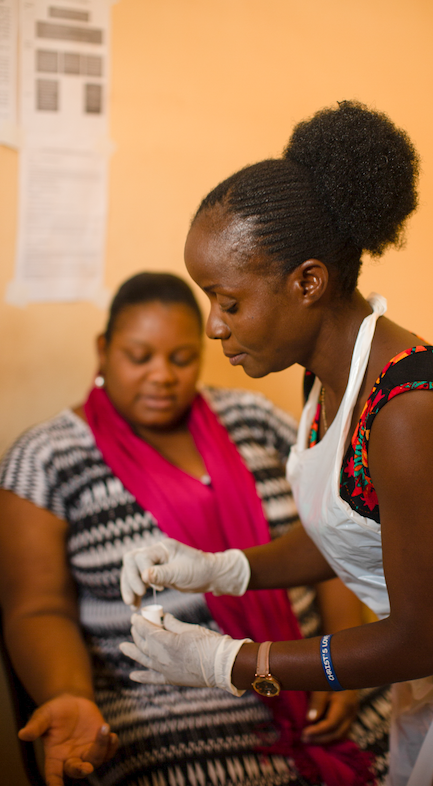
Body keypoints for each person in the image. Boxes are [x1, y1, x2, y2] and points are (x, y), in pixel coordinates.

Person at [119, 102, 433, 786]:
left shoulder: (410, 414)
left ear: (306, 283)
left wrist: (236, 664)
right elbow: (359, 526)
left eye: (226, 300)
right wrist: (224, 568)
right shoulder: (329, 378)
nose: (214, 328)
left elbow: (424, 636)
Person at [0, 272, 386, 786]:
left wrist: (338, 665)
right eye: (140, 357)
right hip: (166, 707)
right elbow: (38, 606)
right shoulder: (47, 458)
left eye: (181, 358)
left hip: (309, 671)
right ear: (103, 349)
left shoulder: (253, 419)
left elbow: (330, 544)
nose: (162, 375)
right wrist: (69, 695)